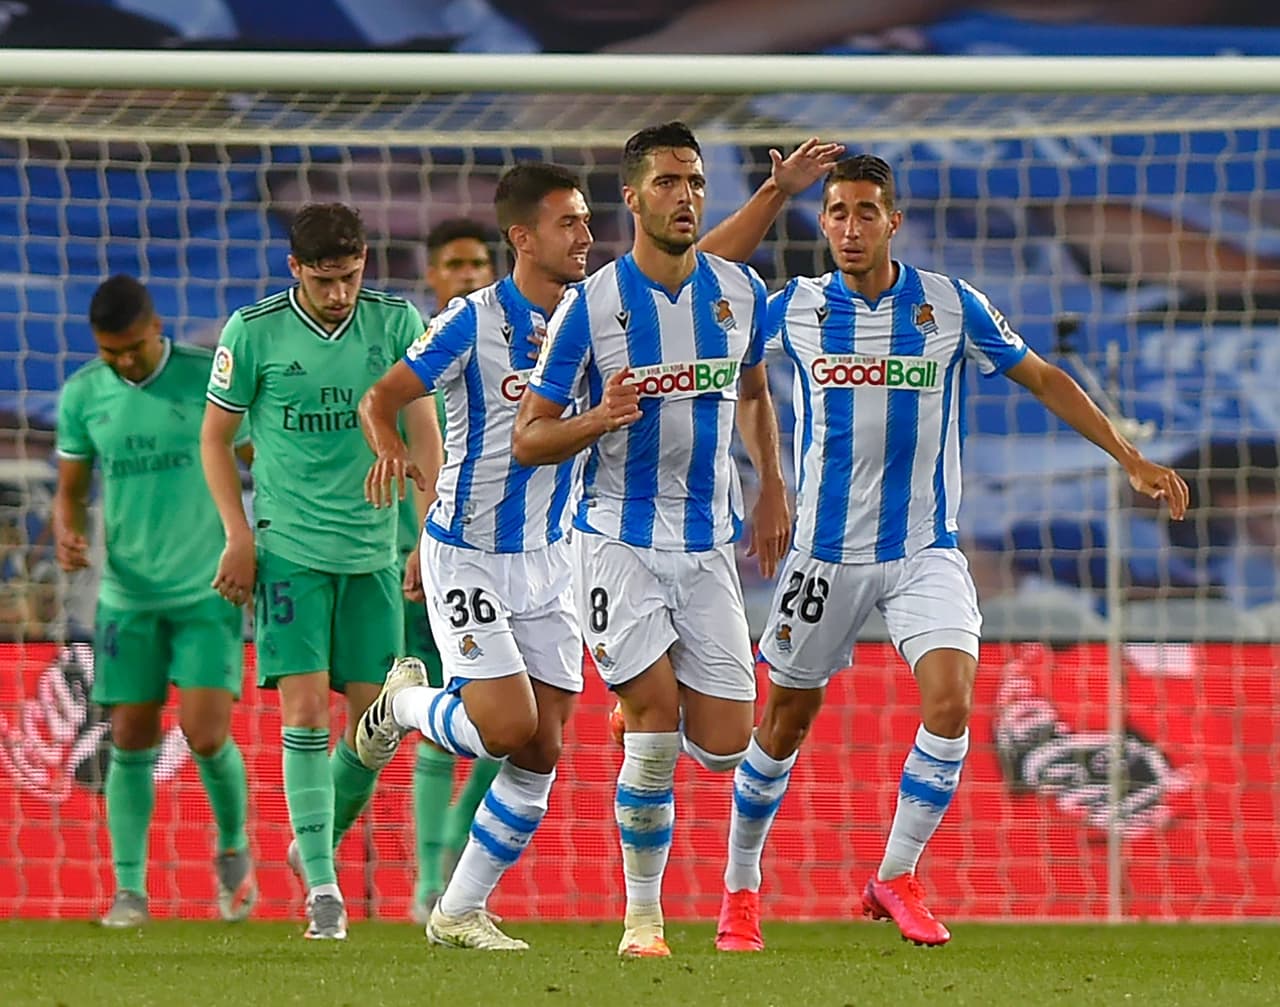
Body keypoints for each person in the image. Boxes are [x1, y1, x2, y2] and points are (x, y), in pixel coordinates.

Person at [711, 154, 1190, 952]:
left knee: (951, 699)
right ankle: (739, 888)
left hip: (924, 550)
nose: (852, 227)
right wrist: (768, 484)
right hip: (825, 556)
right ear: (822, 223)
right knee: (785, 721)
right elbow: (706, 296)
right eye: (838, 212)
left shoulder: (949, 304)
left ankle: (895, 874)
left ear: (893, 222)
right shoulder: (795, 307)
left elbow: (1044, 376)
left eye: (867, 212)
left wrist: (1127, 455)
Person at [512, 122, 793, 958]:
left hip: (707, 546)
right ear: (632, 198)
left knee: (727, 744)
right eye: (669, 182)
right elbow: (529, 436)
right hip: (616, 541)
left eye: (696, 182)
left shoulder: (739, 290)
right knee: (658, 729)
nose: (686, 196)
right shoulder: (591, 306)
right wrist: (599, 418)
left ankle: (635, 703)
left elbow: (752, 392)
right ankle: (644, 919)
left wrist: (772, 485)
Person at [200, 204, 442, 941]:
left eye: (350, 277)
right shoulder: (253, 331)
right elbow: (215, 439)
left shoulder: (396, 324)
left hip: (374, 553)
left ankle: (313, 841)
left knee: (379, 726)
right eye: (324, 280)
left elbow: (425, 434)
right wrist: (238, 534)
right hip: (289, 550)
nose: (339, 294)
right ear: (295, 269)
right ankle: (324, 892)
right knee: (303, 712)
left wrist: (426, 538)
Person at [53, 275, 257, 928]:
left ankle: (233, 845)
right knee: (129, 734)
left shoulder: (206, 378)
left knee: (206, 733)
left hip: (207, 589)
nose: (123, 362)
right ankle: (130, 891)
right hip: (127, 595)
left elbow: (261, 455)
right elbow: (70, 490)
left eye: (133, 348)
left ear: (156, 327)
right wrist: (67, 531)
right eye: (110, 352)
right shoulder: (83, 393)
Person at [406, 216, 503, 925]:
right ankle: (426, 879)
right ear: (432, 276)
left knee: (513, 722)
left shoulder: (514, 346)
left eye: (477, 264)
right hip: (434, 552)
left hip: (509, 554)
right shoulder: (418, 358)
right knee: (447, 709)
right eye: (455, 264)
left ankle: (454, 860)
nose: (467, 275)